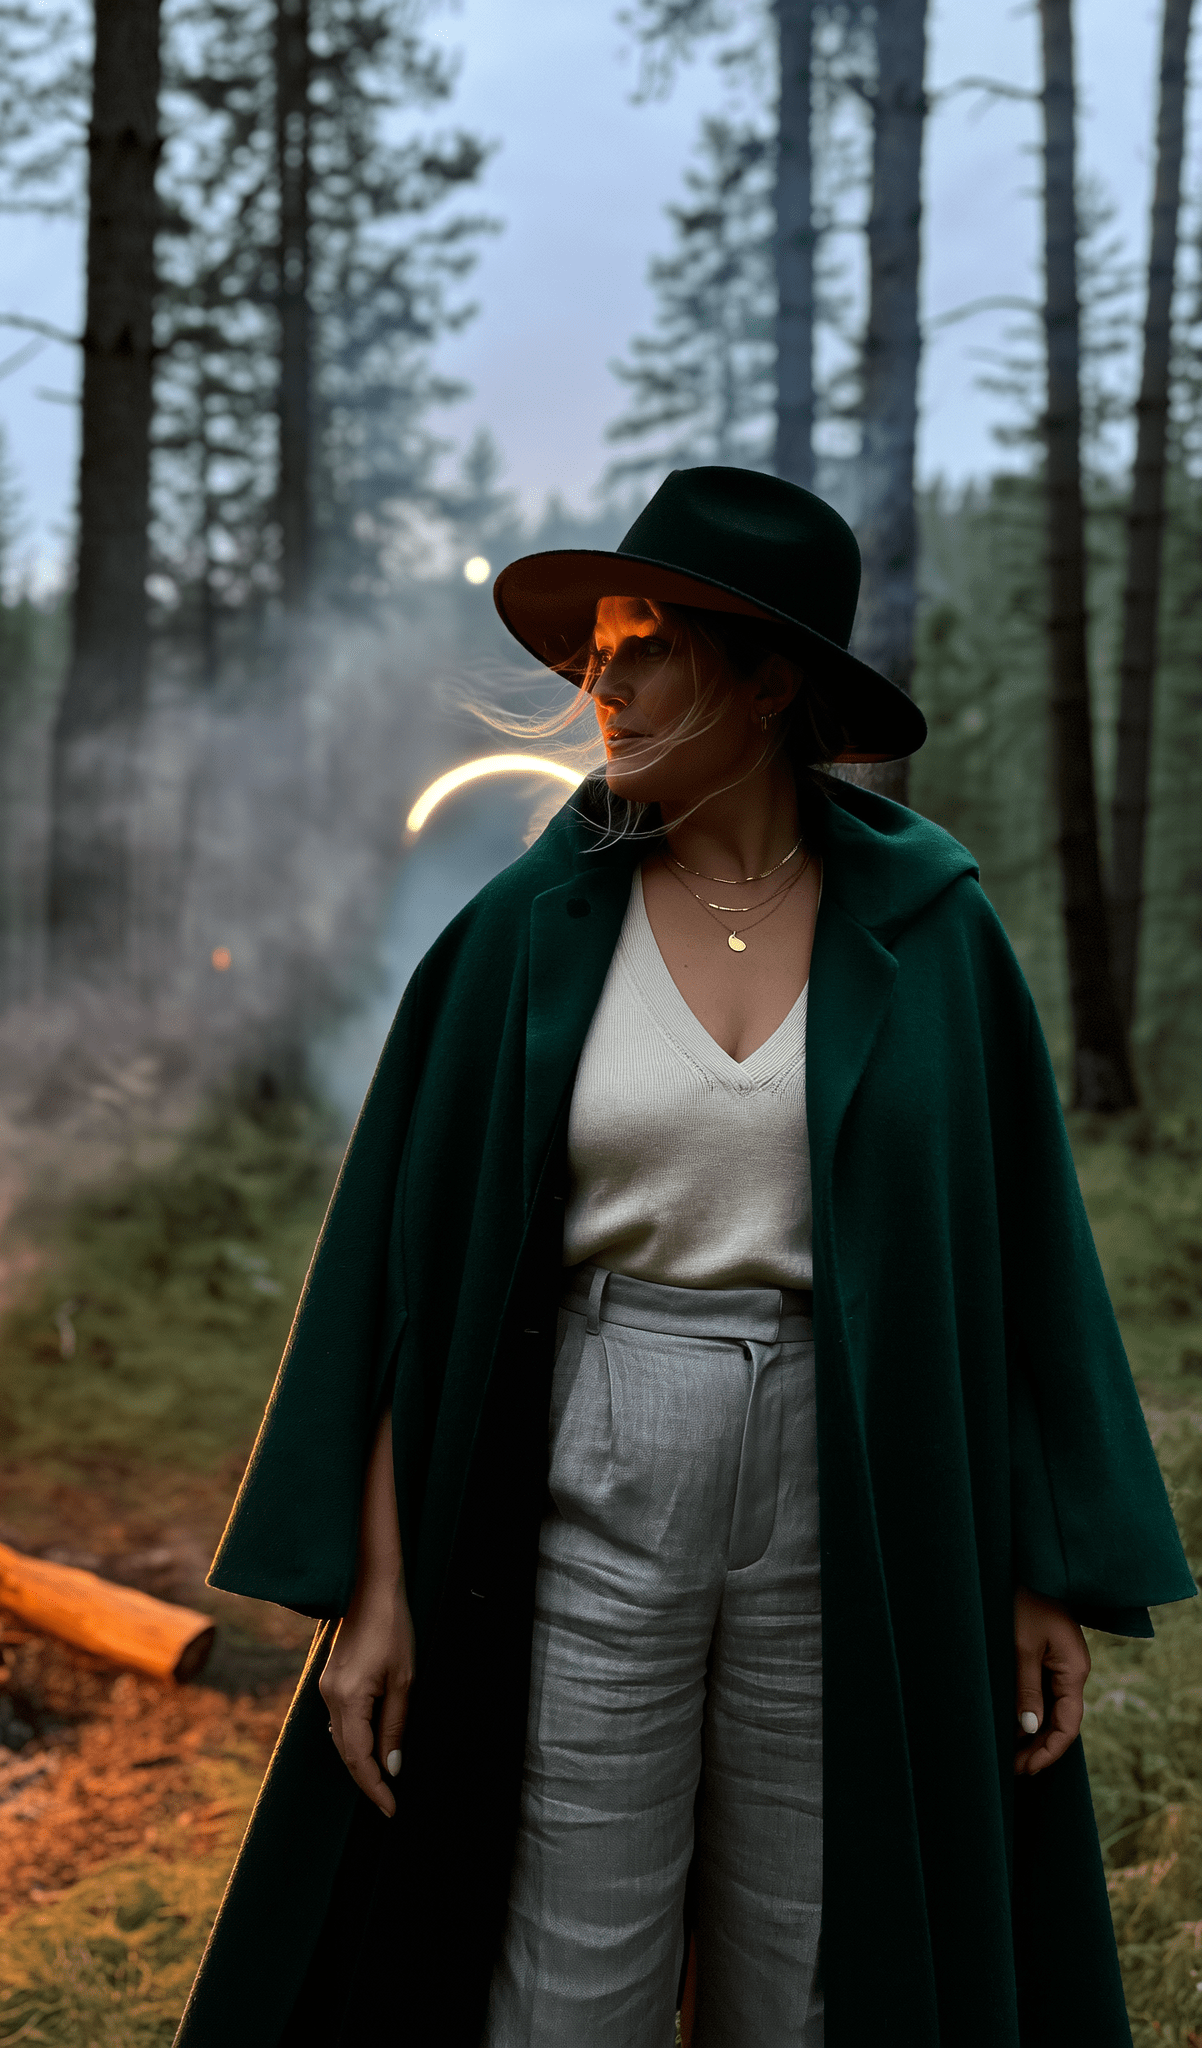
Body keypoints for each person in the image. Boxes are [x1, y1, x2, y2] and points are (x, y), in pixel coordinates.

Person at [173, 467, 1193, 2048]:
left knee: (803, 1963)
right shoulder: (524, 934)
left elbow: (1015, 1268)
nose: (599, 679)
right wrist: (374, 1592)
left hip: (850, 1483)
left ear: (768, 678)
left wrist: (1036, 1563)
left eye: (642, 643)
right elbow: (397, 1287)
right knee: (572, 1966)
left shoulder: (932, 933)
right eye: (596, 647)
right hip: (590, 1457)